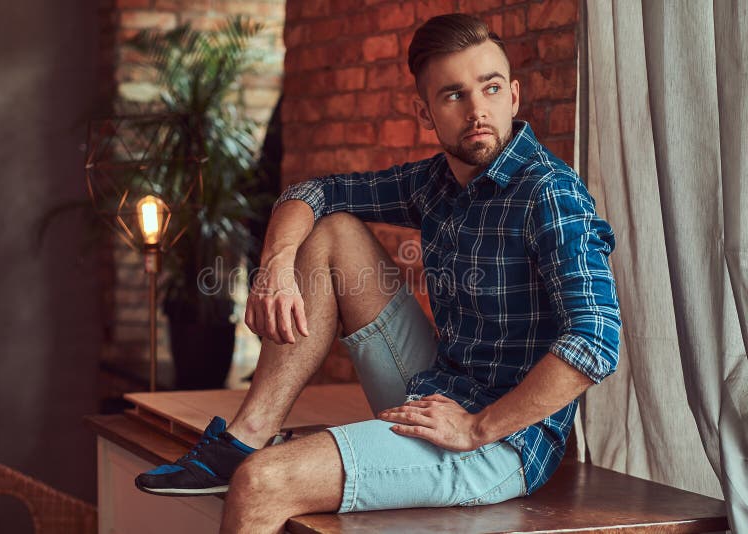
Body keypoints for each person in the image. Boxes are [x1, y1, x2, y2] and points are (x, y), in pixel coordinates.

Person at [135, 13, 621, 533]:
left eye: (491, 88)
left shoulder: (549, 192)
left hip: (501, 442)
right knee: (332, 230)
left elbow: (596, 339)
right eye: (454, 95)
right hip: (436, 391)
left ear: (515, 96)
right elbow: (311, 193)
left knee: (263, 483)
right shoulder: (436, 182)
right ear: (426, 112)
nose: (478, 111)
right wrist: (275, 268)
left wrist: (478, 427)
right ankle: (249, 431)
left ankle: (253, 461)